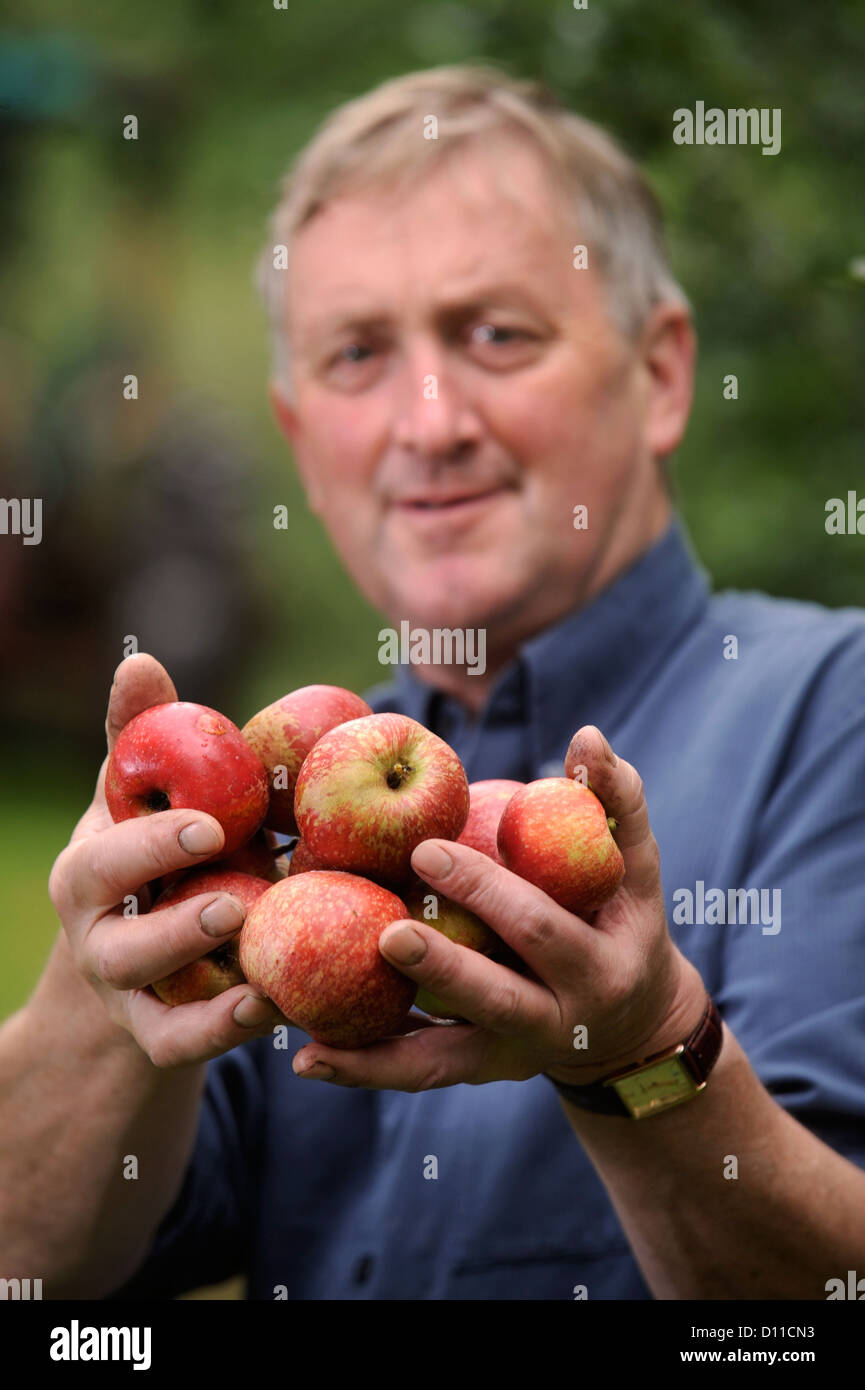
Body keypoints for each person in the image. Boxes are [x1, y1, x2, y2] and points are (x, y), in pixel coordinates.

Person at [3, 66, 865, 1302]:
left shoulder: (830, 713)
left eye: (495, 334)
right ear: (301, 434)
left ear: (662, 373)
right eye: (357, 355)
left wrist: (642, 1052)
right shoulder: (283, 812)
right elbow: (37, 1282)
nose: (428, 420)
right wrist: (107, 978)